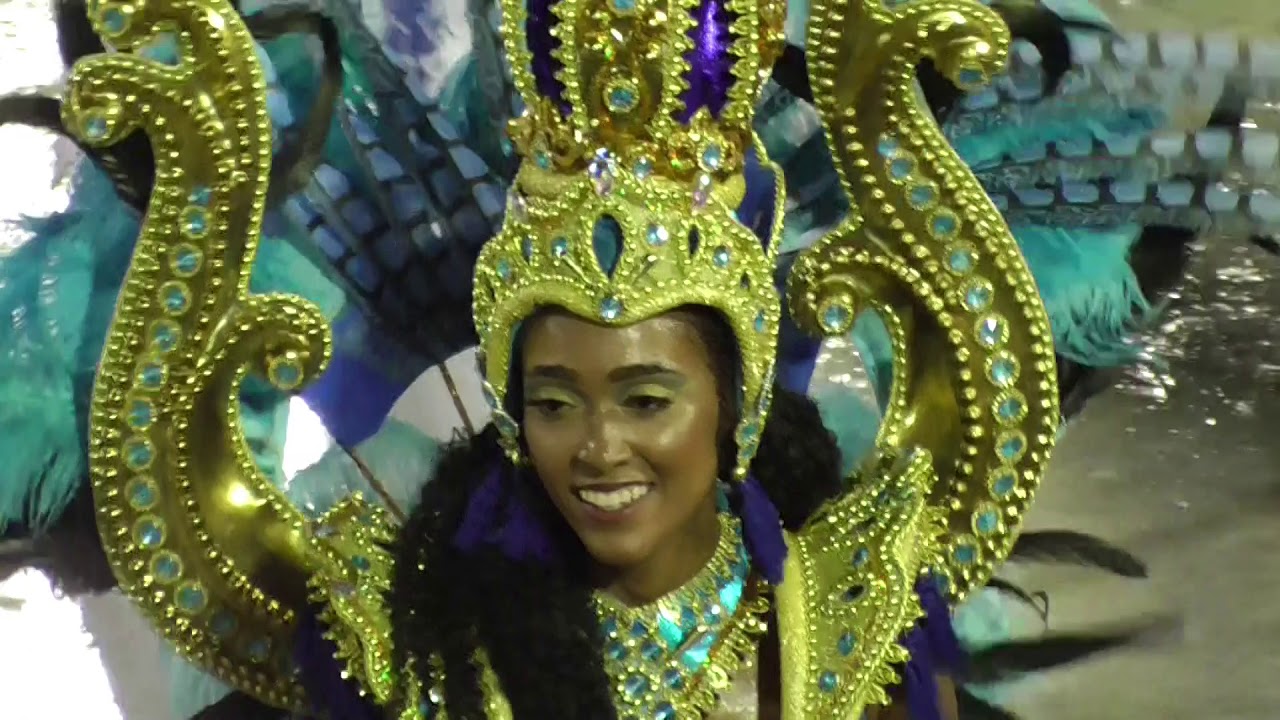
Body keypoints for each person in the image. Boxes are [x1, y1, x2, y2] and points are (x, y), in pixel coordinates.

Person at [1, 0, 1278, 718]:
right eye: (555, 401)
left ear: (729, 408)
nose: (599, 446)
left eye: (647, 396)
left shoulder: (850, 604)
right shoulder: (388, 616)